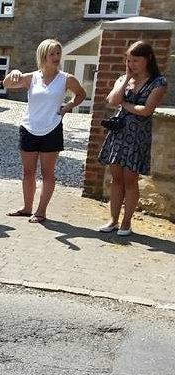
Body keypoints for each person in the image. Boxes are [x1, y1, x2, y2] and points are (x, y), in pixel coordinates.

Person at [3, 39, 86, 224]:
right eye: (52, 54)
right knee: (28, 171)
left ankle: (41, 211)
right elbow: (7, 84)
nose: (56, 57)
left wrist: (68, 106)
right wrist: (14, 72)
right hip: (29, 128)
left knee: (48, 173)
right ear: (43, 56)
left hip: (52, 129)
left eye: (58, 53)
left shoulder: (66, 78)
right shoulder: (32, 77)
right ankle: (26, 208)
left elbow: (81, 94)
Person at [97, 41, 168, 236]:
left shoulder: (158, 82)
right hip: (119, 134)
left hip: (138, 136)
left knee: (130, 179)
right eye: (129, 60)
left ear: (148, 59)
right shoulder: (124, 78)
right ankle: (113, 220)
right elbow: (112, 100)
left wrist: (125, 105)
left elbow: (146, 111)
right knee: (116, 178)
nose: (132, 64)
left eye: (136, 61)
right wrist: (127, 78)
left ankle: (127, 222)